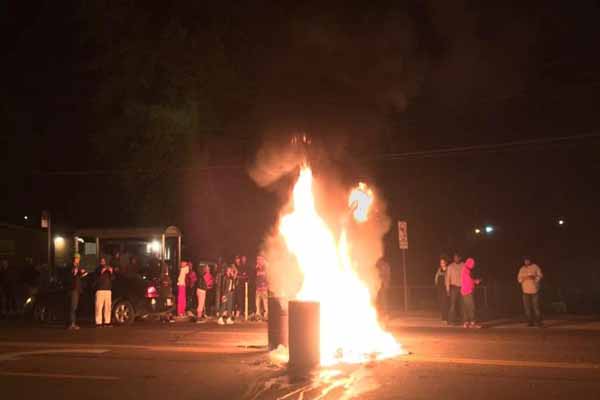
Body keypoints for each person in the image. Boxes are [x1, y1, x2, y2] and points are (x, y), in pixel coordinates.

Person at [517, 257, 543, 327]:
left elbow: (540, 275)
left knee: (536, 307)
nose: (527, 262)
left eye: (528, 260)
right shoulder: (522, 269)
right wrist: (525, 278)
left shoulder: (535, 267)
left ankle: (539, 322)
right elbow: (519, 279)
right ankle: (530, 322)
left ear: (530, 260)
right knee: (527, 308)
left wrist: (534, 278)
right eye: (525, 260)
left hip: (534, 290)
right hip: (525, 290)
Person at [66, 253, 87, 330]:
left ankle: (73, 323)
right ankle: (71, 324)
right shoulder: (71, 267)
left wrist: (83, 273)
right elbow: (70, 276)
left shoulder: (78, 267)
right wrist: (75, 272)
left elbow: (81, 275)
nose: (77, 260)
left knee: (75, 307)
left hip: (78, 289)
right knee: (73, 307)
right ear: (74, 259)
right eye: (76, 258)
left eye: (78, 258)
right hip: (73, 289)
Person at [461, 258, 482, 328]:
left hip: (464, 291)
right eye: (473, 264)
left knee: (466, 307)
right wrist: (476, 281)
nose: (473, 265)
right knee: (471, 307)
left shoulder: (466, 270)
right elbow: (468, 280)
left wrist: (474, 281)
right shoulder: (466, 270)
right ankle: (472, 322)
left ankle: (466, 322)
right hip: (468, 291)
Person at [445, 253, 464, 325]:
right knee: (453, 305)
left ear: (460, 258)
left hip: (462, 287)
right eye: (454, 257)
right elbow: (447, 278)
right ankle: (451, 320)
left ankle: (464, 320)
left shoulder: (463, 265)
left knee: (463, 305)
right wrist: (448, 289)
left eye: (457, 257)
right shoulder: (450, 266)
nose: (456, 259)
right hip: (454, 287)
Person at [95, 257, 114, 327]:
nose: (103, 262)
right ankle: (98, 322)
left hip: (108, 290)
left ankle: (107, 322)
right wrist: (101, 272)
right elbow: (96, 279)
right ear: (100, 262)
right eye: (102, 261)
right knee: (99, 307)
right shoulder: (97, 269)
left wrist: (111, 272)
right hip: (100, 290)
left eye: (104, 261)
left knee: (108, 307)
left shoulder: (108, 270)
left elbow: (113, 278)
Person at [434, 256, 449, 322]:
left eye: (443, 262)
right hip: (440, 288)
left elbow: (449, 278)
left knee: (445, 302)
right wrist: (436, 284)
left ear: (446, 263)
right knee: (441, 302)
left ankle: (446, 316)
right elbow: (436, 278)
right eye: (441, 262)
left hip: (446, 288)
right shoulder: (439, 269)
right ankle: (443, 316)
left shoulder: (448, 269)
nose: (442, 264)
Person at [255, 255, 268, 321]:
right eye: (257, 259)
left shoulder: (265, 267)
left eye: (259, 259)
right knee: (257, 302)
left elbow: (266, 277)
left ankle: (266, 315)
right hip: (258, 288)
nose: (258, 261)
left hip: (264, 288)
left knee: (265, 302)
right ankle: (258, 315)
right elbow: (256, 278)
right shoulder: (257, 268)